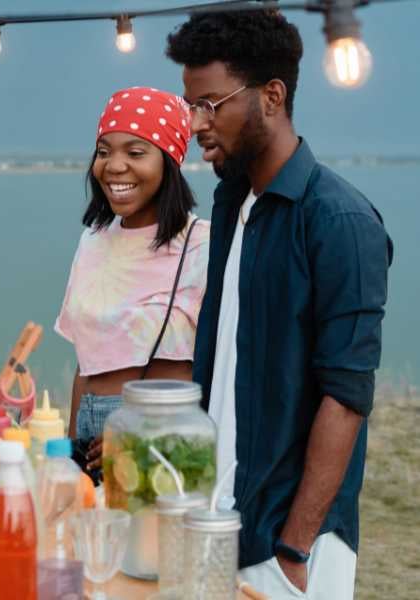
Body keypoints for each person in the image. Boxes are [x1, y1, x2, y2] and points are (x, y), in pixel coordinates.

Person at [166, 10, 392, 599]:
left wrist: (294, 550)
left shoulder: (339, 221)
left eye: (210, 104)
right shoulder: (231, 206)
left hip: (291, 549)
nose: (195, 124)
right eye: (191, 105)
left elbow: (346, 397)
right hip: (215, 521)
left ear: (272, 96)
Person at [54, 87, 210, 474]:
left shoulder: (204, 244)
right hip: (91, 440)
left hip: (164, 437)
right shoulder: (92, 240)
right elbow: (85, 362)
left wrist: (139, 431)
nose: (114, 166)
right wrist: (73, 450)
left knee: (153, 537)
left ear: (169, 162)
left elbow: (216, 369)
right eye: (104, 151)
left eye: (136, 153)